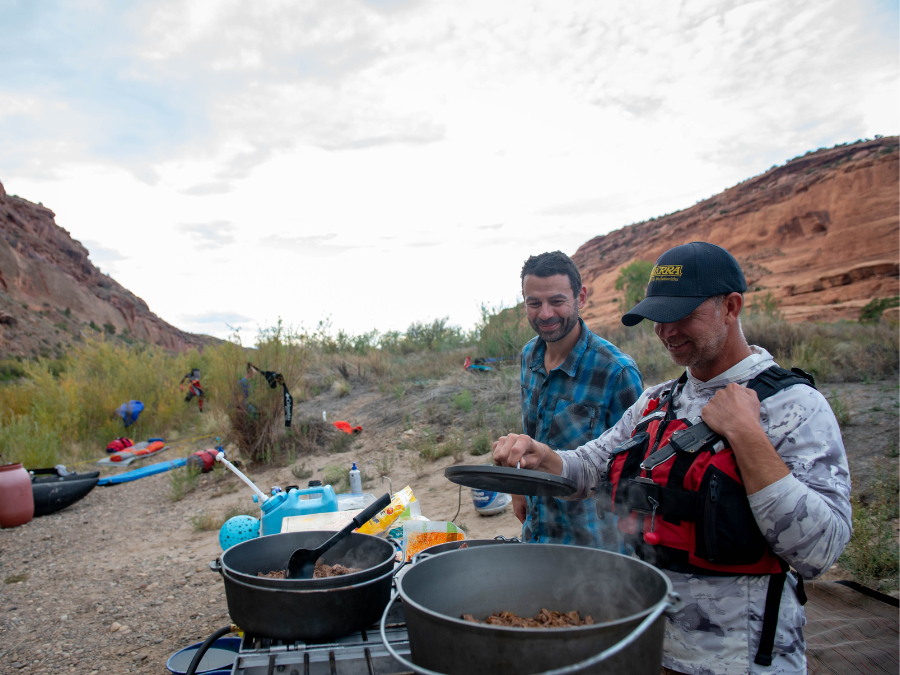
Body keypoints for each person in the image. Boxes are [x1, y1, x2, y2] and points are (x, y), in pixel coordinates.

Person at [494, 242, 851, 675]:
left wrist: (746, 435)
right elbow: (589, 467)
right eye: (657, 318)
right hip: (649, 647)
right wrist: (541, 455)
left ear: (731, 307)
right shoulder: (655, 402)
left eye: (682, 315)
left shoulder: (794, 406)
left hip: (742, 663)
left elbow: (821, 550)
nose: (666, 331)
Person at [514, 251, 643, 550]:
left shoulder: (617, 371)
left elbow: (635, 473)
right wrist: (518, 486)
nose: (545, 313)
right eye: (534, 303)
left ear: (580, 297)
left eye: (557, 301)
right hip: (537, 530)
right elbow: (532, 433)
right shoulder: (528, 355)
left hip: (593, 545)